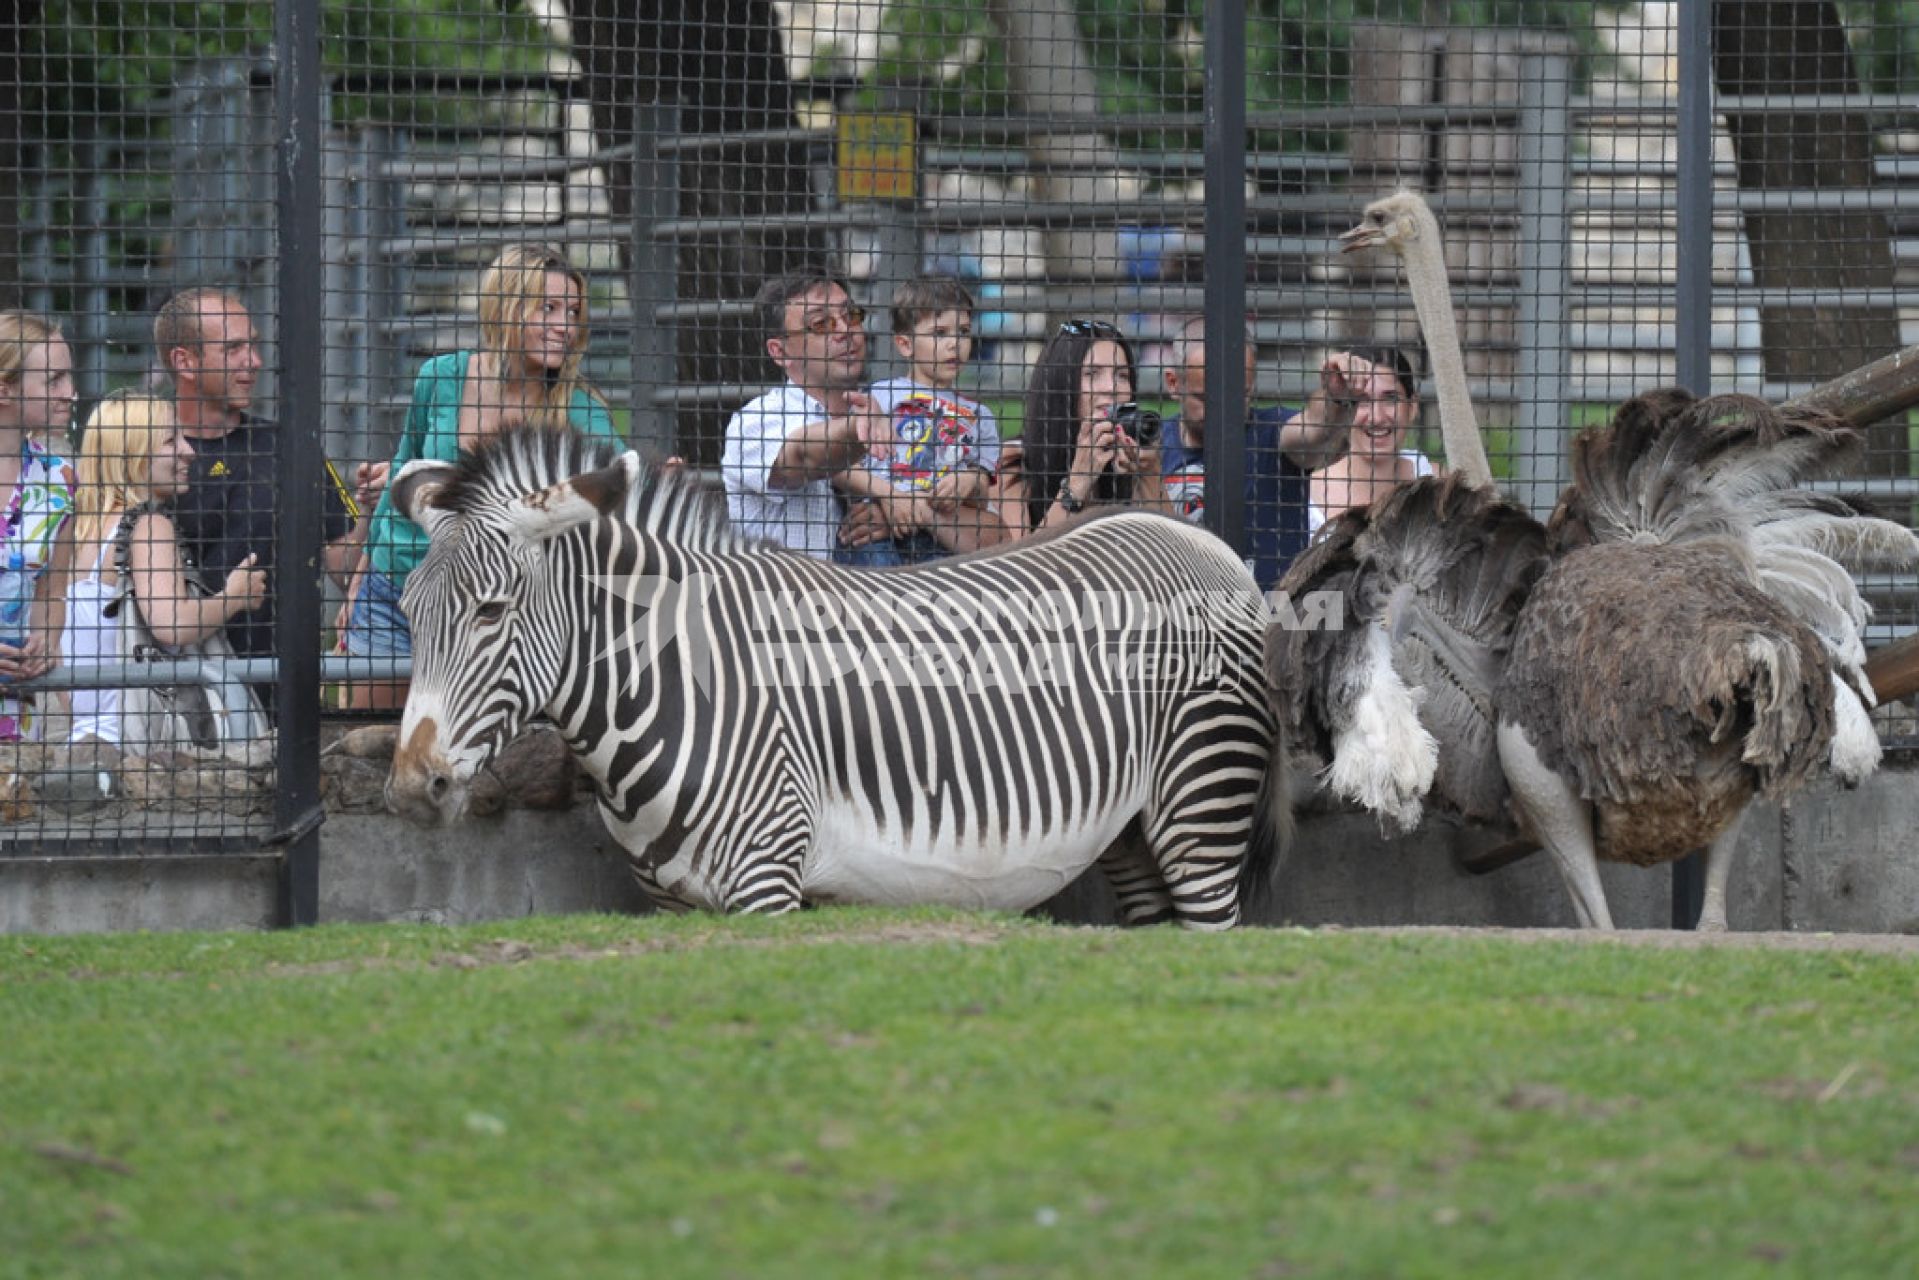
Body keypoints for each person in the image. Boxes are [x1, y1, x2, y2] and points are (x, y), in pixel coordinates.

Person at [345, 244, 621, 708]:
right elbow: (403, 466)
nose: (564, 327)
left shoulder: (579, 409)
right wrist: (360, 574)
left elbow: (622, 479)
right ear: (506, 308)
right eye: (547, 309)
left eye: (573, 312)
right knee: (368, 743)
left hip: (488, 610)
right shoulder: (440, 377)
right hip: (397, 587)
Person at [155, 287, 384, 666]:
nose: (256, 361)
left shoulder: (289, 447)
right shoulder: (142, 453)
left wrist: (369, 506)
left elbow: (345, 571)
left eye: (254, 345)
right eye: (233, 349)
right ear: (185, 361)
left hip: (279, 684)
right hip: (169, 688)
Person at [64, 392, 268, 748]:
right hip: (133, 734)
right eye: (171, 440)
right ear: (133, 454)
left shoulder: (84, 529)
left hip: (80, 730)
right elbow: (173, 624)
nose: (189, 451)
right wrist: (234, 597)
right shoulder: (148, 525)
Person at [1157, 318, 1364, 588]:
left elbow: (1315, 429)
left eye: (1238, 396)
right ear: (1174, 383)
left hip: (1271, 618)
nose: (1223, 411)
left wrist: (1336, 396)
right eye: (1206, 398)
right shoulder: (1153, 446)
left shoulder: (1272, 432)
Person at [834, 274, 1007, 565]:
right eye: (939, 333)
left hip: (942, 536)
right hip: (877, 535)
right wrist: (889, 496)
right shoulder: (879, 398)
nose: (955, 344)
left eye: (963, 332)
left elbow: (980, 495)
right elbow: (839, 466)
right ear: (905, 344)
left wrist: (970, 478)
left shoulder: (981, 417)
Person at [722, 268, 888, 558]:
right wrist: (859, 427)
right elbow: (804, 456)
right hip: (783, 600)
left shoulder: (891, 412)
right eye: (822, 323)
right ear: (780, 352)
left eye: (850, 315)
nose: (845, 331)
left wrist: (892, 518)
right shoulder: (756, 420)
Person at [999, 319, 1170, 537]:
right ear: (1061, 385)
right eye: (1092, 374)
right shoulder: (1014, 463)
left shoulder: (1131, 460)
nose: (1111, 388)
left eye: (1122, 375)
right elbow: (1017, 563)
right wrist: (1078, 482)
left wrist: (1150, 473)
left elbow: (1175, 553)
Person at [0, 311, 77, 742]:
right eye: (54, 380)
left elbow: (53, 590)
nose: (70, 393)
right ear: (4, 387)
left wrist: (46, 639)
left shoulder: (61, 478)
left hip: (16, 704)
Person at [1304, 344, 1437, 534]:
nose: (1376, 417)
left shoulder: (1437, 484)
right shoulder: (1310, 495)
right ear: (1344, 410)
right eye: (1362, 400)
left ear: (1412, 407)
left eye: (1390, 399)